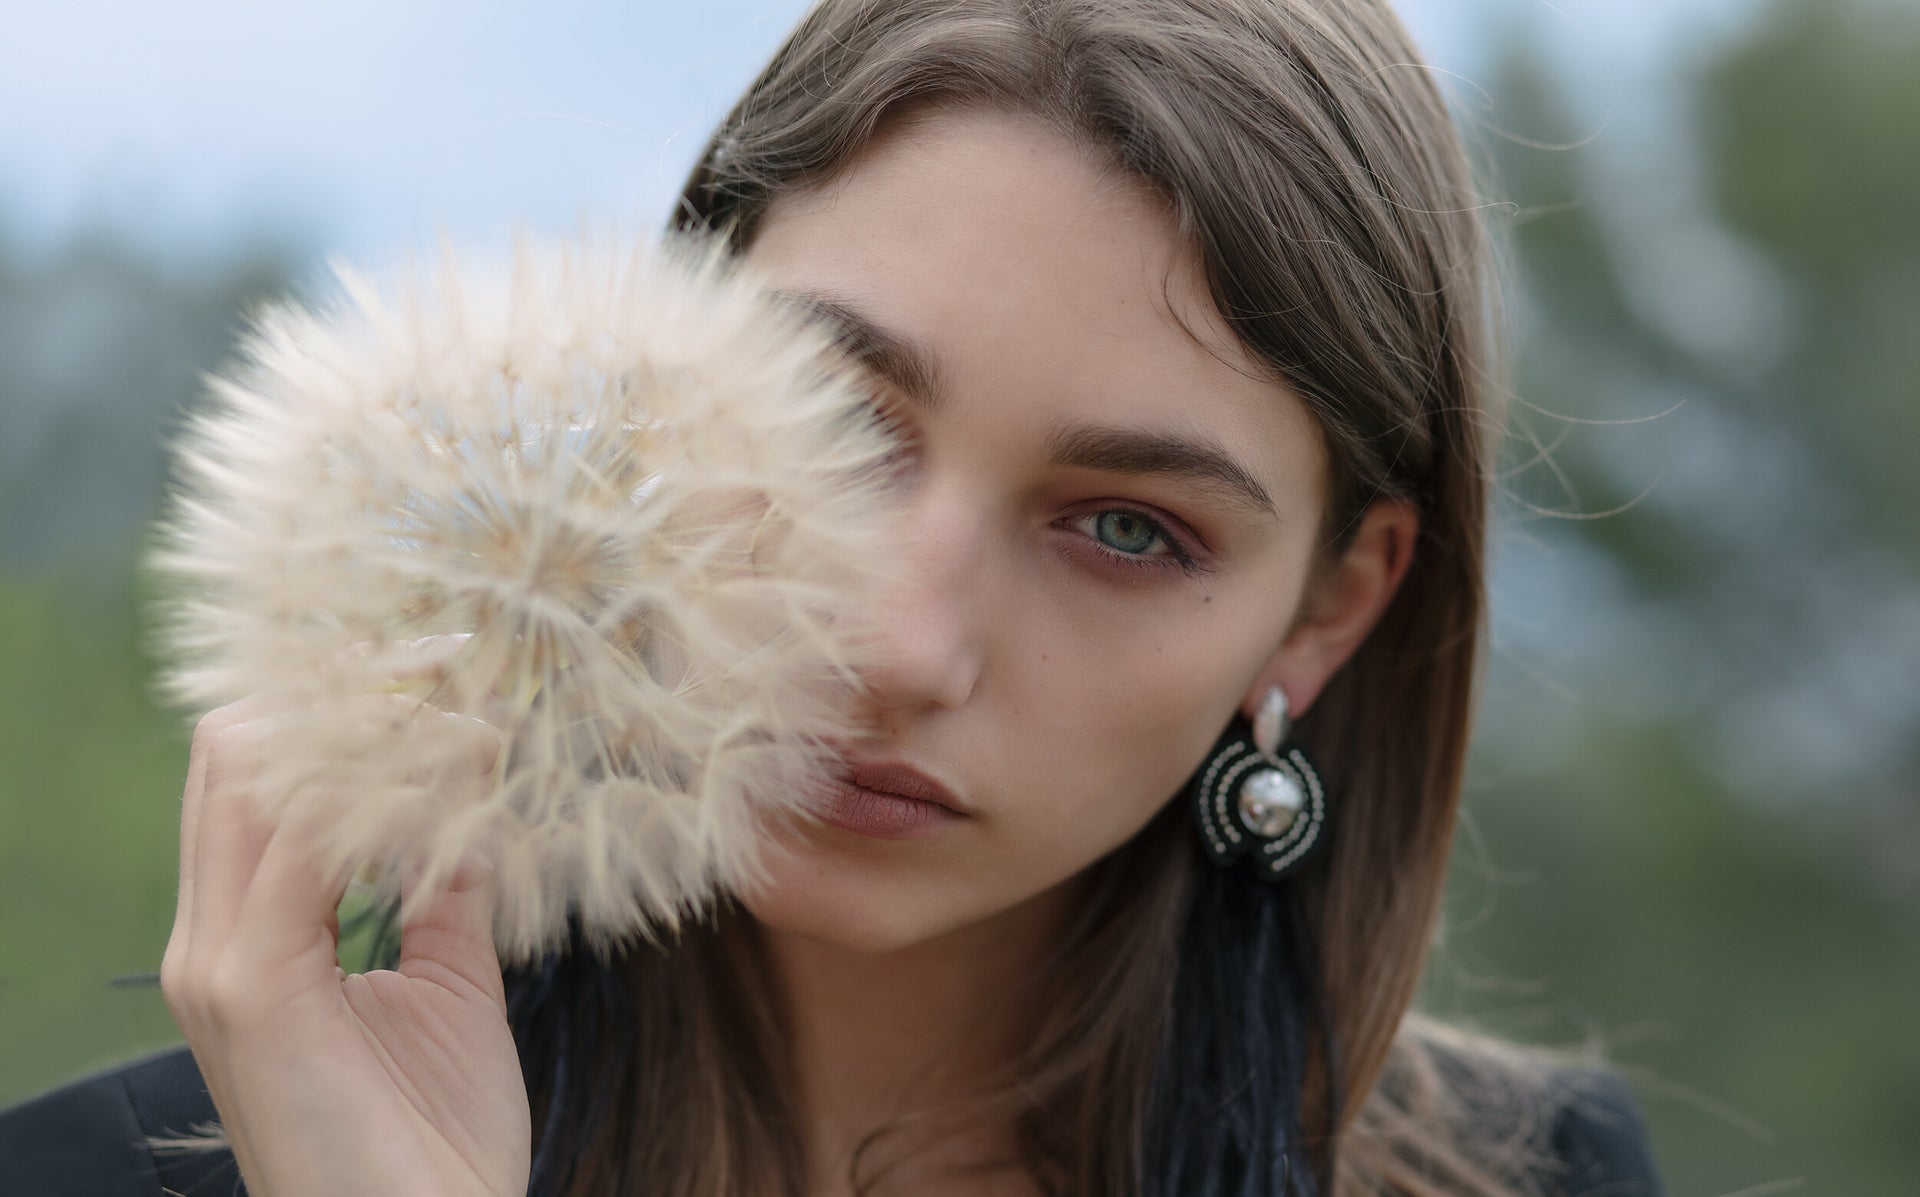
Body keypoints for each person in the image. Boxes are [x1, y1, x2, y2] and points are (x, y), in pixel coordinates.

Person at [0, 1, 1666, 1194]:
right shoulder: (102, 1178)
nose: (896, 645)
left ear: (1328, 608)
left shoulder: (1541, 1178)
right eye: (832, 425)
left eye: (1129, 530)